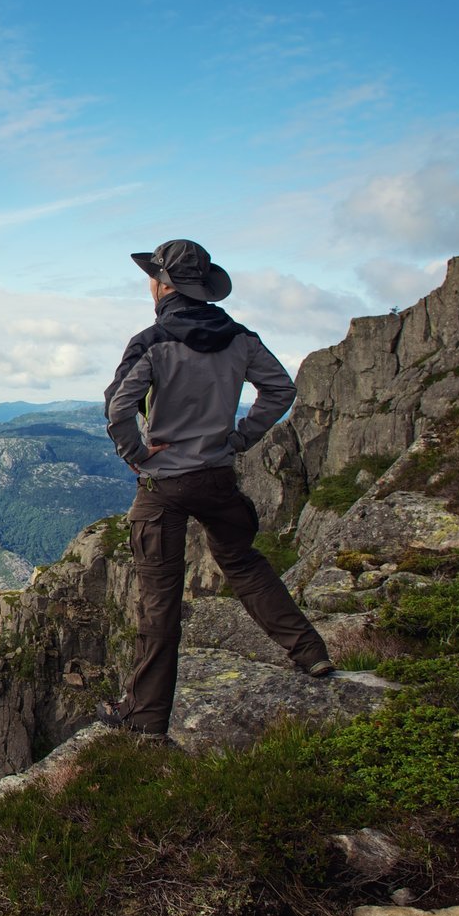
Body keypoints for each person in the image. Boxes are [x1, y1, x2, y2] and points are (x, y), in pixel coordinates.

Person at [97, 238, 335, 741]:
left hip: (165, 485)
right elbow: (281, 389)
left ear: (163, 284)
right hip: (219, 477)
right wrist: (241, 436)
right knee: (245, 565)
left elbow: (118, 407)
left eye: (151, 277)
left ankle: (145, 720)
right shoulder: (241, 339)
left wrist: (137, 455)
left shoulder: (152, 341)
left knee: (160, 602)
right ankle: (310, 654)